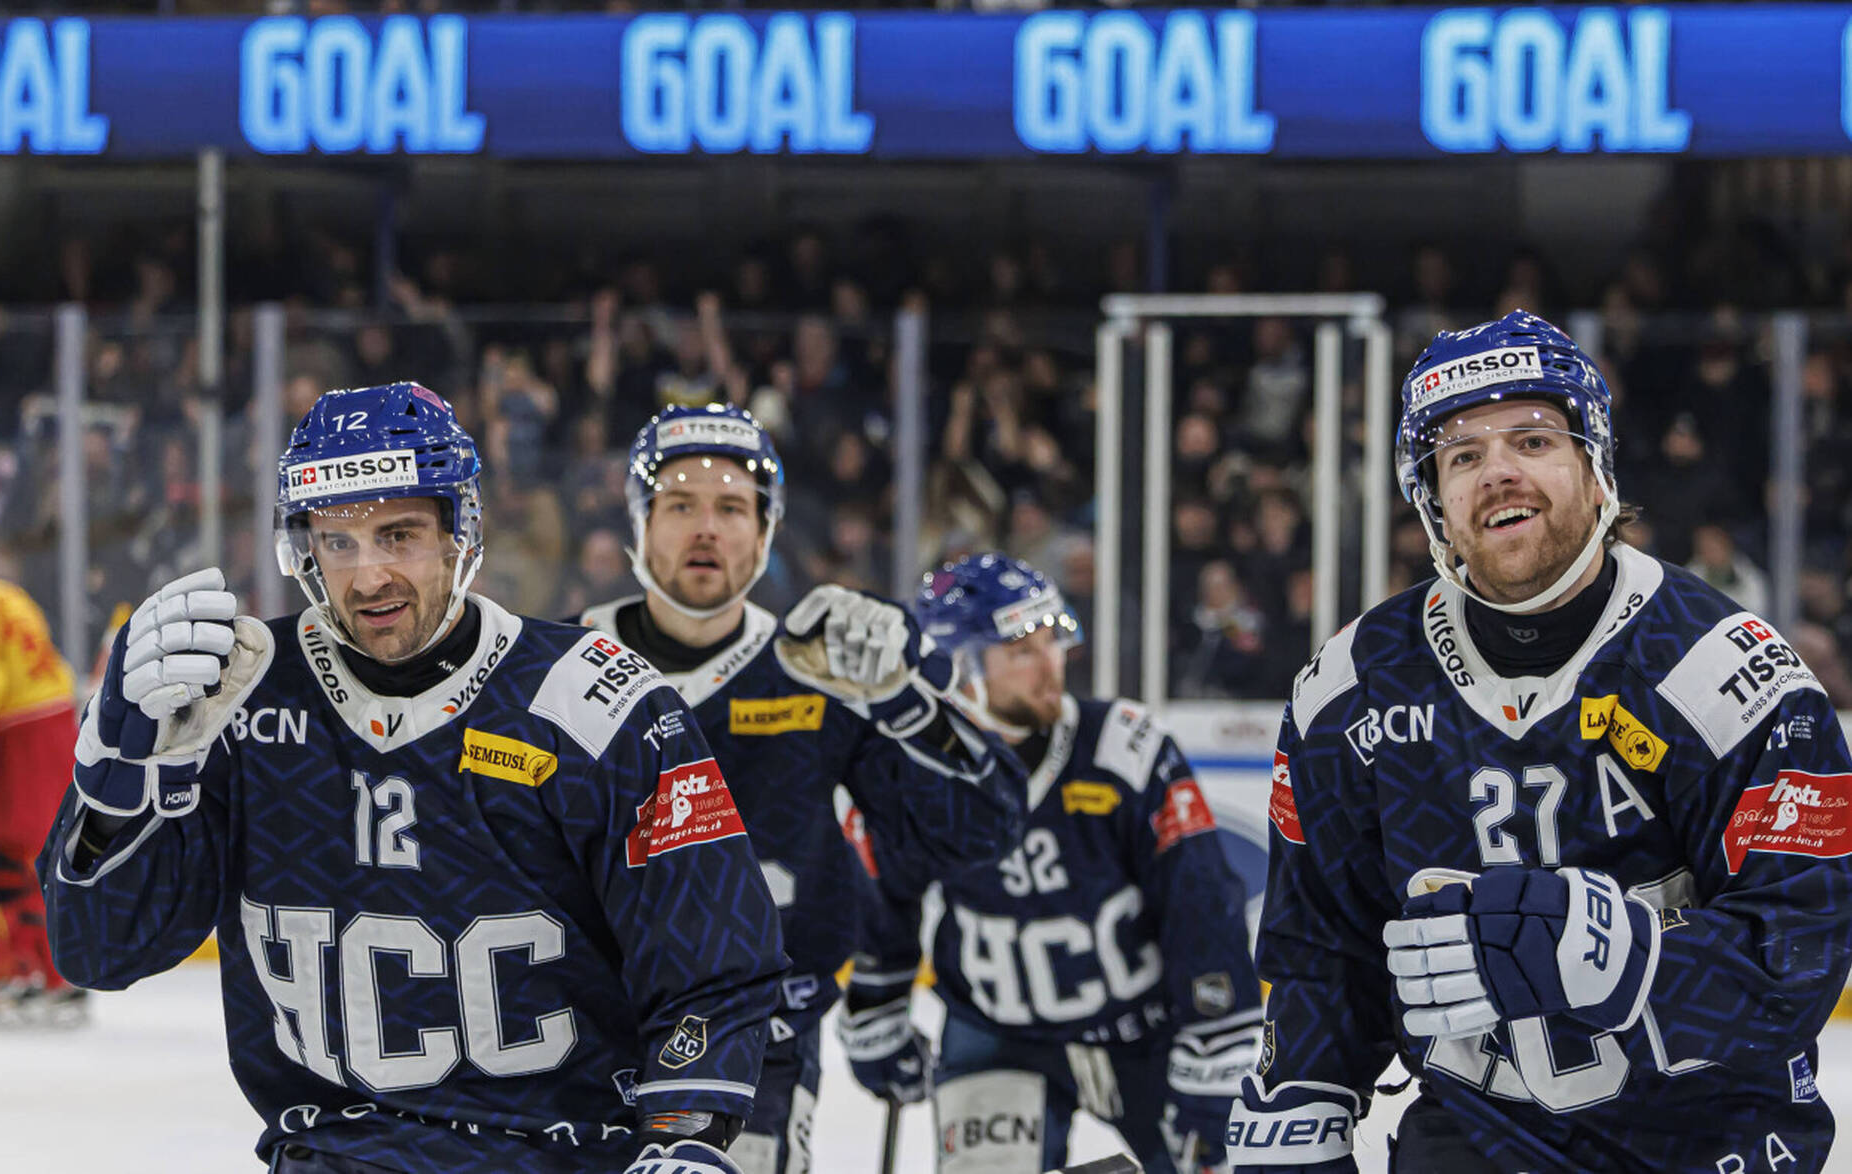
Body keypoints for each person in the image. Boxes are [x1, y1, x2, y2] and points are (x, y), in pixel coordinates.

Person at [38, 383, 788, 1174]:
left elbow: (714, 954)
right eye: (339, 542)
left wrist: (684, 1139)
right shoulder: (240, 699)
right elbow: (98, 955)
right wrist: (119, 783)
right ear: (303, 548)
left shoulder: (595, 701)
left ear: (460, 532)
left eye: (399, 535)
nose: (368, 579)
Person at [1230, 311, 1852, 1173]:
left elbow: (1806, 946)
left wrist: (1625, 963)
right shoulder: (1350, 692)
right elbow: (1324, 948)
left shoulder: (1731, 676)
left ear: (1595, 471)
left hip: (1708, 1145)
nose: (1498, 472)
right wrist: (1298, 1109)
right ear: (1433, 502)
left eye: (1531, 438)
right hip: (1478, 1141)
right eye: (1463, 455)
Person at [579, 402, 1026, 1174]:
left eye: (731, 508)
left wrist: (902, 700)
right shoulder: (558, 666)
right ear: (640, 523)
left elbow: (983, 830)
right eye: (680, 504)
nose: (706, 528)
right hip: (571, 1050)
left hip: (761, 1059)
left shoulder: (823, 675)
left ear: (766, 531)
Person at [847, 554, 1262, 1174]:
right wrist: (877, 1007)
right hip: (999, 1036)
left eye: (1053, 641)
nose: (1051, 667)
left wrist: (1216, 1045)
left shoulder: (1123, 748)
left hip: (1144, 1033)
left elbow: (1201, 906)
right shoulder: (910, 773)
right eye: (1021, 651)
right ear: (959, 668)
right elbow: (886, 901)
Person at [0, 534, 82, 1022]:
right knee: (29, 852)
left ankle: (37, 971)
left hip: (17, 735)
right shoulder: (5, 594)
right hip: (54, 725)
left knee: (6, 852)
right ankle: (46, 970)